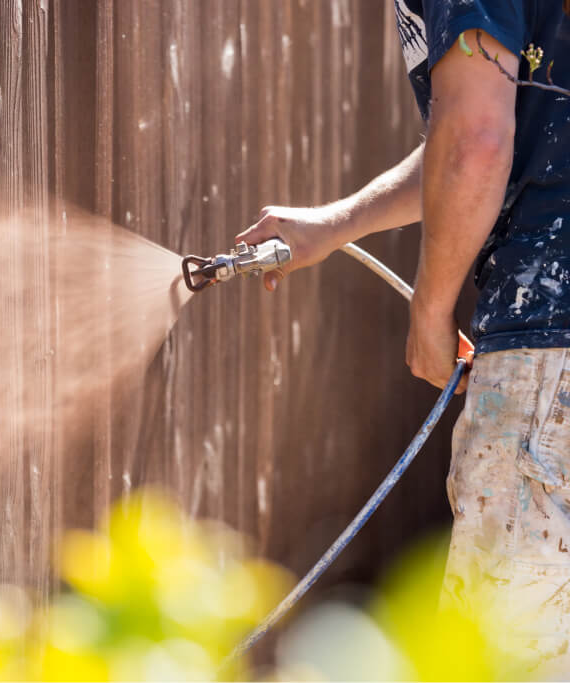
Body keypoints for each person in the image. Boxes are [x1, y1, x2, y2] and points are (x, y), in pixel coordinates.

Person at [238, 0, 570, 672]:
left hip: (548, 347)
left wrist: (431, 309)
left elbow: (477, 138)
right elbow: (489, 131)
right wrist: (334, 223)